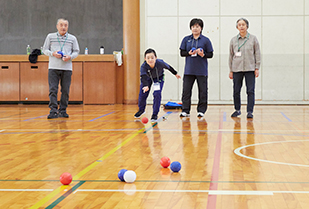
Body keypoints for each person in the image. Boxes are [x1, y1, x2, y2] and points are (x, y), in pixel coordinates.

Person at [43, 18, 80, 119]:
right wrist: (53, 54)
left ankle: (63, 110)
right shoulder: (50, 37)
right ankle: (53, 110)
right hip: (53, 67)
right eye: (61, 25)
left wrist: (70, 57)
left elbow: (76, 51)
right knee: (53, 89)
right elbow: (44, 49)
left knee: (65, 90)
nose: (63, 27)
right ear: (57, 26)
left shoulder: (72, 38)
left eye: (65, 25)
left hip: (67, 68)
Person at [134, 48, 181, 122]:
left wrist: (175, 73)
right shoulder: (143, 66)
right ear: (145, 59)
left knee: (157, 93)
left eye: (152, 57)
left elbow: (168, 67)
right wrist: (146, 86)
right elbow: (143, 77)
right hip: (147, 78)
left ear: (156, 57)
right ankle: (141, 110)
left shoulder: (160, 63)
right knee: (142, 94)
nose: (150, 60)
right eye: (148, 58)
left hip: (158, 78)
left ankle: (154, 114)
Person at [179, 18, 214, 118]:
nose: (195, 28)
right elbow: (182, 53)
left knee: (203, 91)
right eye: (193, 26)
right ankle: (185, 110)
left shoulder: (205, 40)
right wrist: (188, 53)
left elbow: (210, 54)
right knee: (186, 91)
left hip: (201, 71)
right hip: (189, 70)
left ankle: (201, 110)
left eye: (197, 26)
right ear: (191, 28)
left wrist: (203, 54)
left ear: (201, 28)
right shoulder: (186, 39)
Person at [229, 18, 261, 118]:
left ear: (247, 26)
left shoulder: (253, 39)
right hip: (236, 69)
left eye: (243, 24)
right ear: (237, 27)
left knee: (250, 91)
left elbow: (257, 54)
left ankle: (250, 111)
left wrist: (257, 68)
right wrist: (231, 70)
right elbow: (231, 55)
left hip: (250, 69)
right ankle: (237, 110)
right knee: (236, 90)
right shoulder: (233, 40)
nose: (241, 26)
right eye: (239, 25)